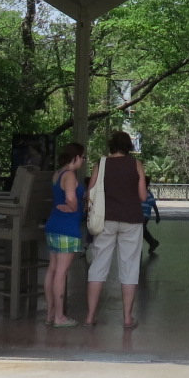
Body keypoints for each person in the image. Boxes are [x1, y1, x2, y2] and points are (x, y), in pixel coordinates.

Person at [86, 130, 149, 329]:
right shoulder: (136, 164)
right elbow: (143, 196)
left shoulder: (101, 164)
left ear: (111, 145)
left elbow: (90, 192)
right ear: (128, 146)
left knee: (98, 264)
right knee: (129, 267)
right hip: (131, 219)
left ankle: (90, 317)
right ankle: (127, 318)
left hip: (105, 219)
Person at [42, 142, 87, 328]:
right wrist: (74, 207)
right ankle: (60, 317)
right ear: (75, 157)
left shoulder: (58, 173)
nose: (83, 160)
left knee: (52, 269)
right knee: (62, 272)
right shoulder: (69, 175)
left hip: (53, 224)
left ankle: (50, 313)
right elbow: (70, 197)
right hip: (67, 228)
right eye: (82, 157)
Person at [141, 180, 162, 254]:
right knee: (142, 230)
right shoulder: (144, 193)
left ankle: (140, 248)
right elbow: (154, 205)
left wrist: (157, 215)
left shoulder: (148, 194)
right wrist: (157, 216)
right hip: (142, 215)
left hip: (144, 215)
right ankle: (152, 242)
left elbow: (154, 205)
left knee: (141, 230)